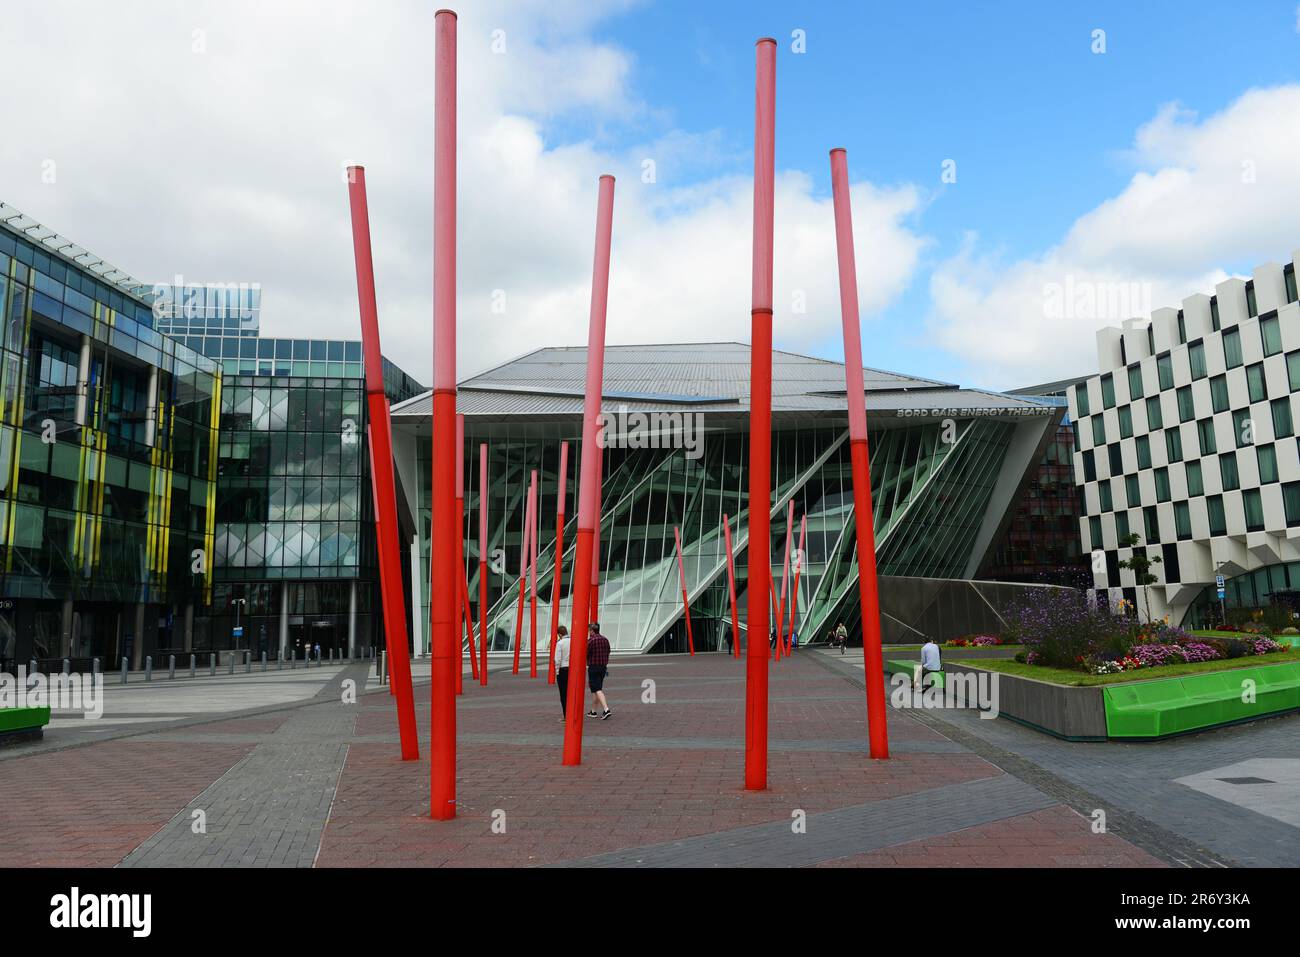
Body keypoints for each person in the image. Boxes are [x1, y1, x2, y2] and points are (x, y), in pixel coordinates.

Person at [585, 622, 612, 720]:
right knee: (596, 688)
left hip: (593, 667)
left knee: (597, 689)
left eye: (589, 630)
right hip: (603, 667)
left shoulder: (590, 641)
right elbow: (608, 651)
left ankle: (606, 709)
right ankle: (593, 711)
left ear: (592, 631)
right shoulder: (605, 639)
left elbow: (586, 653)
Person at [554, 625, 571, 720]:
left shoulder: (560, 643)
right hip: (572, 669)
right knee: (572, 692)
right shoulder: (573, 641)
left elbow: (557, 659)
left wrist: (557, 671)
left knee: (563, 694)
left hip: (563, 669)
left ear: (560, 634)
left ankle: (566, 715)